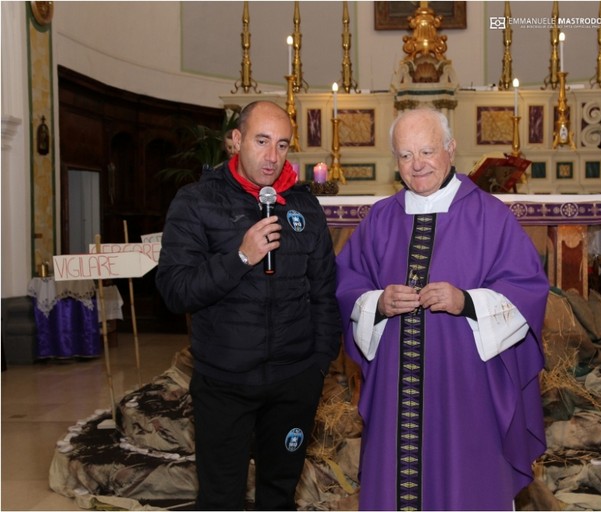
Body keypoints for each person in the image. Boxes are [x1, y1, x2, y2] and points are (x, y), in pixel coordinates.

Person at [335, 108, 550, 510]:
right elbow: (347, 284)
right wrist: (377, 303)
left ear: (451, 149)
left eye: (427, 151)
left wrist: (465, 301)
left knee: (465, 483)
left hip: (466, 389)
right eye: (405, 155)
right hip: (394, 391)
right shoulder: (381, 218)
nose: (416, 165)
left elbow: (527, 290)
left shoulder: (490, 216)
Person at [156, 101, 341, 511]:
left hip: (294, 381)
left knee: (279, 494)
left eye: (282, 144)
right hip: (225, 382)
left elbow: (324, 292)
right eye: (261, 141)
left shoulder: (304, 206)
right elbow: (175, 290)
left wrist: (317, 366)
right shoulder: (196, 202)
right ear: (236, 140)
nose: (272, 157)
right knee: (221, 499)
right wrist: (239, 258)